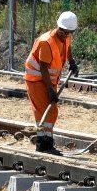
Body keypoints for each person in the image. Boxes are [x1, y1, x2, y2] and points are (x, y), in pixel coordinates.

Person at [23, 11, 79, 154]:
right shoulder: (46, 42)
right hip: (37, 80)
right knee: (43, 111)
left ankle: (48, 142)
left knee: (52, 111)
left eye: (68, 33)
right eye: (63, 32)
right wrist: (50, 89)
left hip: (49, 81)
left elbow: (68, 48)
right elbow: (43, 67)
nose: (65, 35)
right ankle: (42, 143)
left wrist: (72, 62)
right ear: (58, 26)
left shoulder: (65, 37)